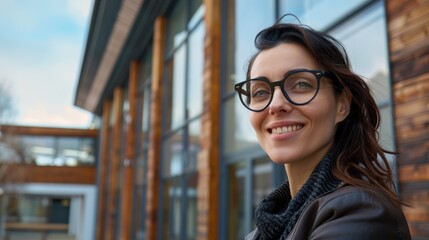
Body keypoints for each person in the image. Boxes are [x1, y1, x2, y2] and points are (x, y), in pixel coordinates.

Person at [234, 18, 411, 240]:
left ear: (342, 105)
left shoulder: (361, 212)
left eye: (301, 84)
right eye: (260, 92)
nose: (275, 105)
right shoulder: (271, 223)